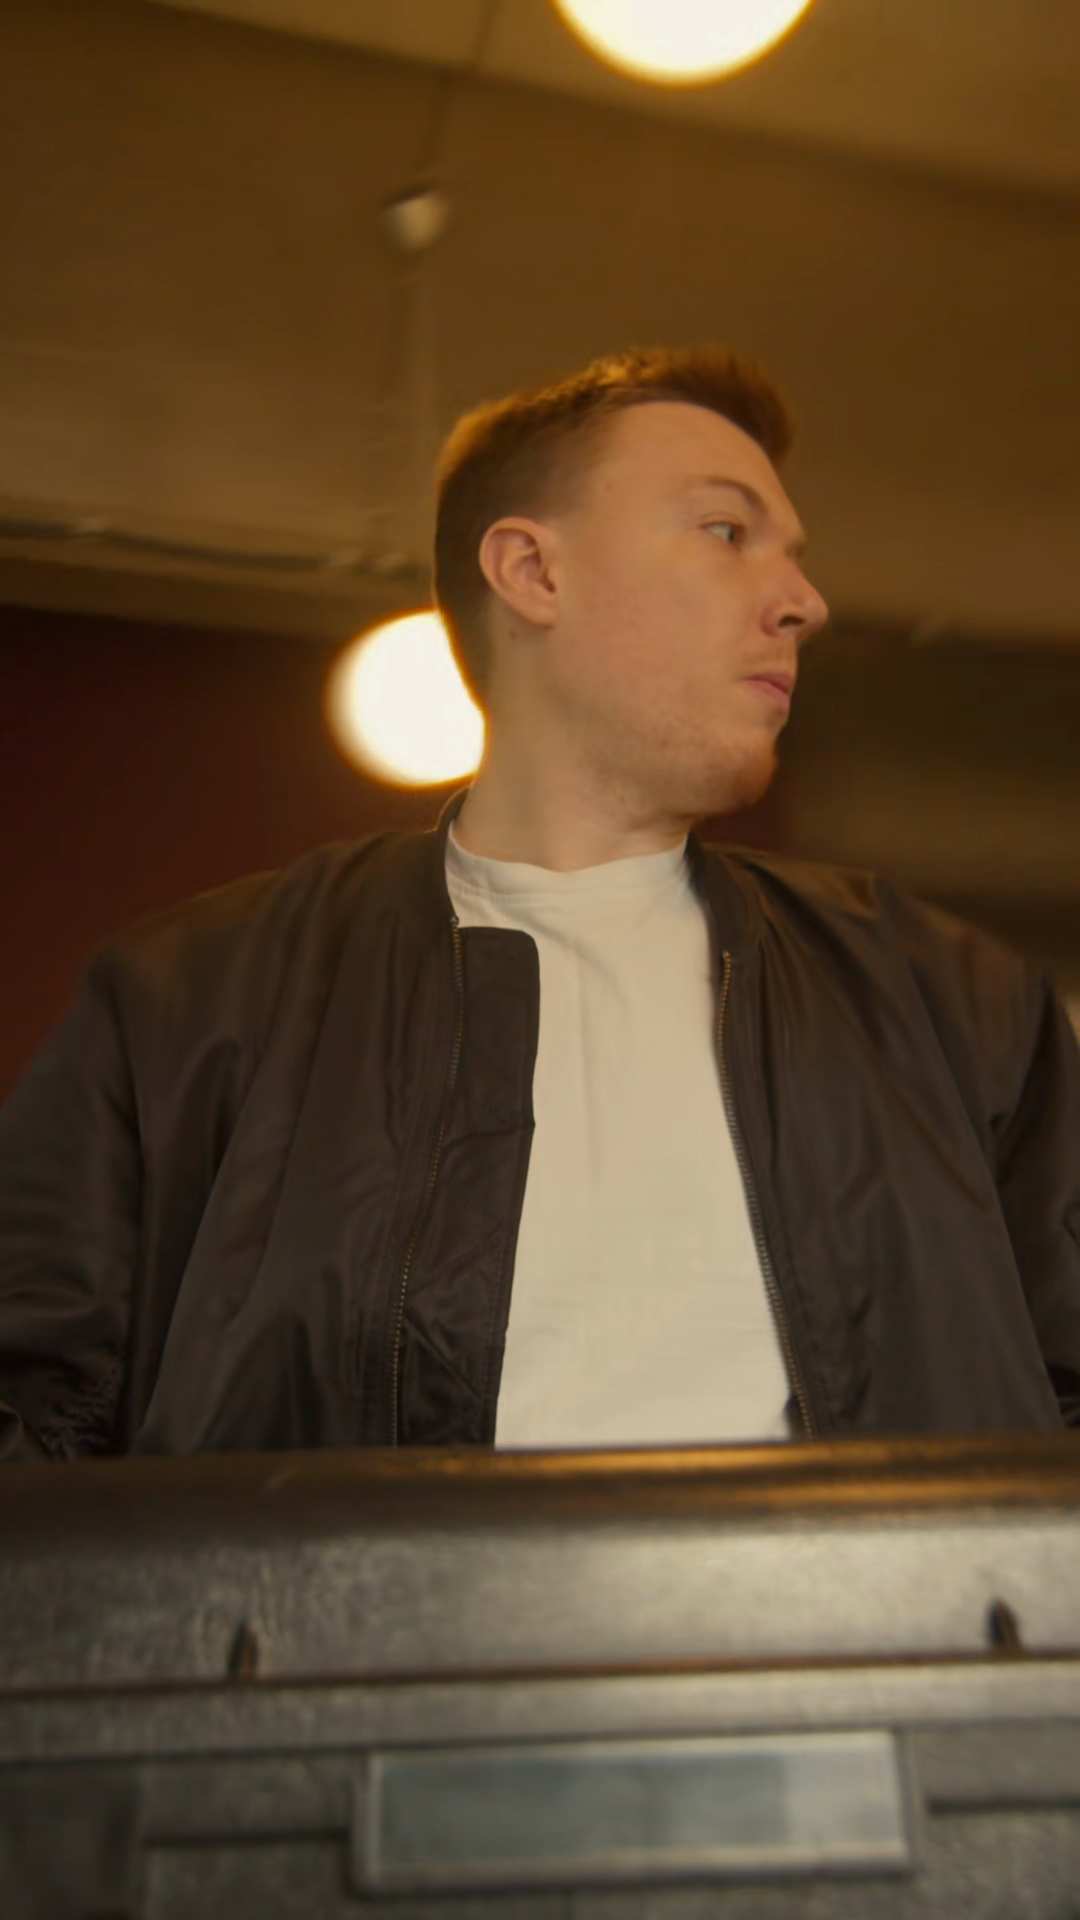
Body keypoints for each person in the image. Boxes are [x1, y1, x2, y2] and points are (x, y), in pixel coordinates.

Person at [1, 346, 1078, 1460]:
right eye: (726, 531)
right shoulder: (193, 1001)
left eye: (795, 559)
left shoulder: (952, 1004)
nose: (804, 602)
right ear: (532, 572)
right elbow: (31, 1429)